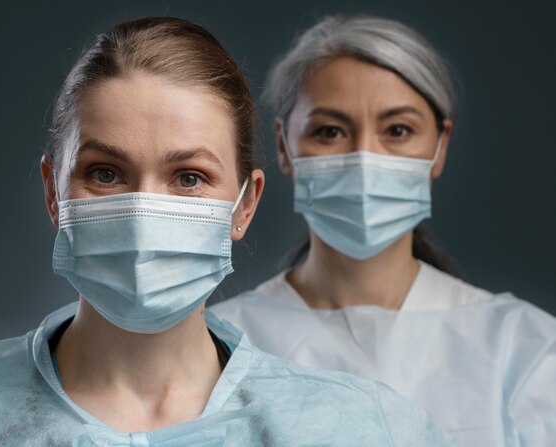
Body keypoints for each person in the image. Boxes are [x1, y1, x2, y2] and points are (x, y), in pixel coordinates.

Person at [0, 17, 455, 446]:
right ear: (53, 192)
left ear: (244, 205)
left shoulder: (364, 430)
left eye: (189, 178)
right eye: (105, 173)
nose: (143, 211)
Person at [211, 14, 556, 447]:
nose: (364, 159)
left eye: (397, 130)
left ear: (439, 147)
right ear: (284, 146)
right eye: (330, 131)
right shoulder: (219, 345)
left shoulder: (525, 349)